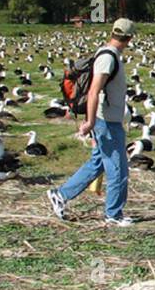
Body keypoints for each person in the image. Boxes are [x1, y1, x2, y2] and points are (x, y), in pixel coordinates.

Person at [47, 19, 134, 226]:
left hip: (108, 120)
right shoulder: (108, 58)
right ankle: (114, 214)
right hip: (106, 122)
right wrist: (90, 121)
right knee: (118, 169)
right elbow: (94, 91)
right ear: (130, 38)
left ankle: (60, 194)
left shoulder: (109, 54)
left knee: (97, 164)